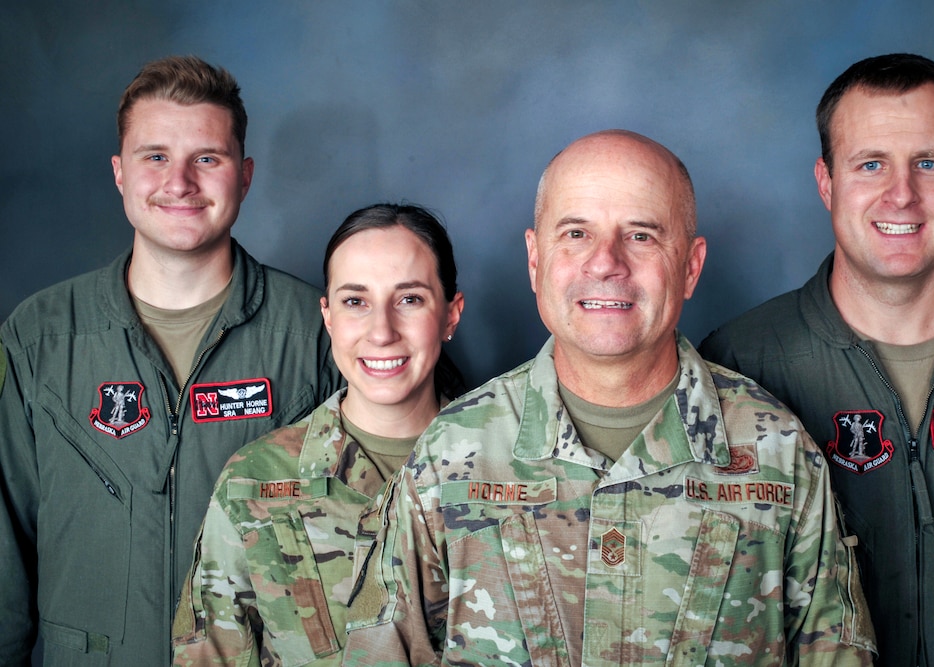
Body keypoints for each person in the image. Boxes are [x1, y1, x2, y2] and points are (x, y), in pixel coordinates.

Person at [340, 130, 877, 665]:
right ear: (534, 258)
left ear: (690, 266)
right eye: (576, 233)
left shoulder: (779, 454)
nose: (605, 264)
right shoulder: (450, 453)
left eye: (641, 236)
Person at [700, 53, 934, 666]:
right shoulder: (737, 367)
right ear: (826, 181)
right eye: (871, 164)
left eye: (927, 164)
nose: (901, 195)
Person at [0, 56, 341, 665]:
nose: (179, 182)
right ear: (119, 173)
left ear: (245, 175)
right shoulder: (40, 337)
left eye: (206, 158)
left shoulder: (317, 331)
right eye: (154, 156)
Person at [171, 203, 466, 665]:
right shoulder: (254, 482)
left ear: (451, 314)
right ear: (327, 317)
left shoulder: (510, 473)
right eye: (355, 302)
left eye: (409, 299)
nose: (382, 331)